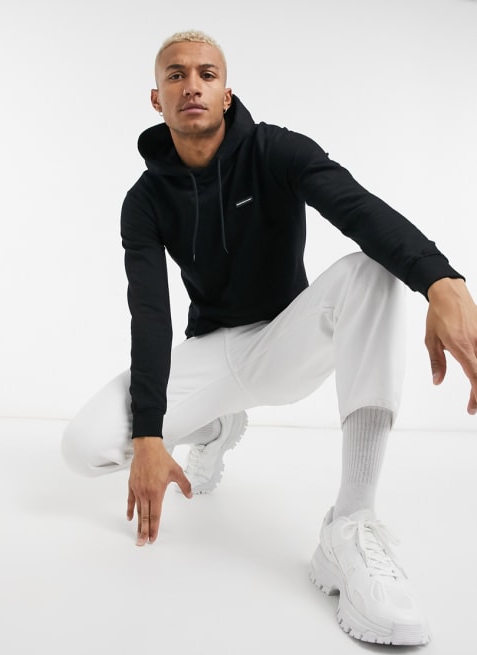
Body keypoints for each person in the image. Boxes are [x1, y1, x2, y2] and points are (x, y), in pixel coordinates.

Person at [61, 30, 477, 646]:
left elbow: (360, 210)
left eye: (206, 74)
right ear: (157, 99)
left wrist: (443, 283)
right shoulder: (144, 200)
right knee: (83, 447)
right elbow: (148, 312)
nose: (192, 85)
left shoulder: (276, 150)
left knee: (370, 272)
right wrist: (149, 434)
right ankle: (214, 427)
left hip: (287, 342)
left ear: (226, 93)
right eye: (176, 75)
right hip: (211, 351)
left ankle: (350, 524)